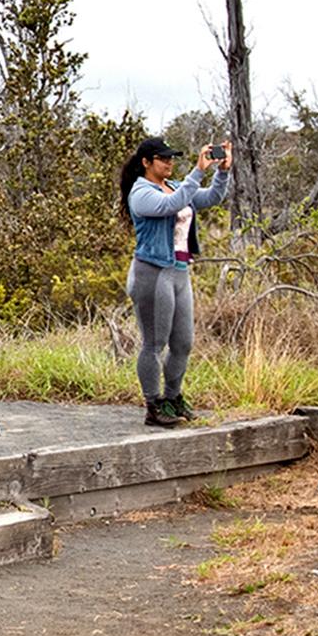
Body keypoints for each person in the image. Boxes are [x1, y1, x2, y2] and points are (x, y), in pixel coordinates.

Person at [120, 135, 232, 429]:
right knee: (154, 343)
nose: (170, 163)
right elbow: (172, 204)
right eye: (163, 158)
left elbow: (210, 198)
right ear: (147, 163)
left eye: (171, 158)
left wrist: (222, 171)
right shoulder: (141, 193)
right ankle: (152, 405)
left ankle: (172, 397)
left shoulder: (172, 185)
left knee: (183, 343)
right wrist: (197, 171)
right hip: (152, 273)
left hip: (179, 271)